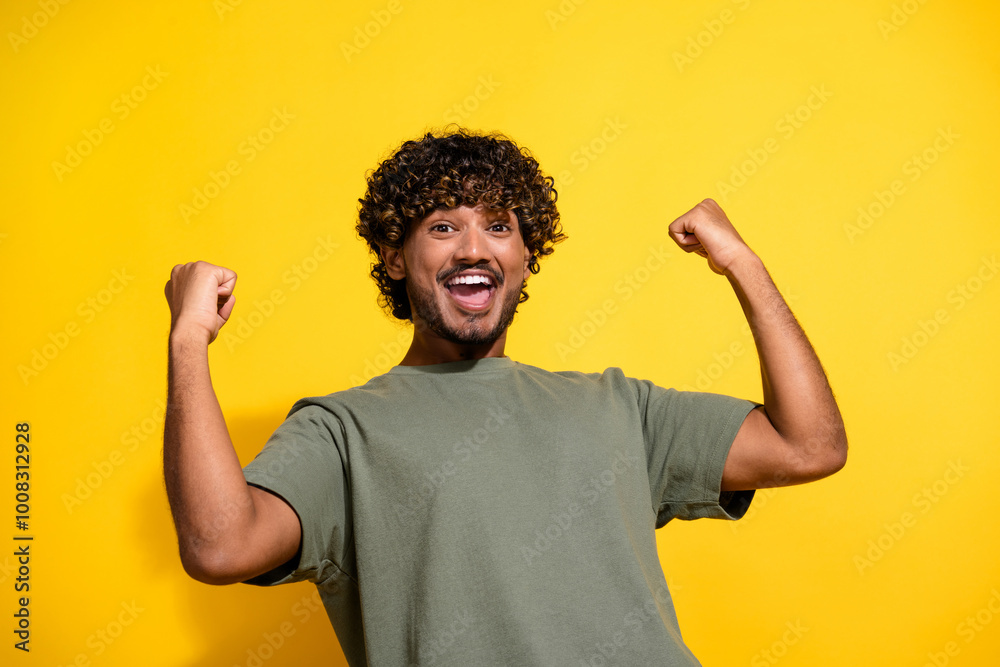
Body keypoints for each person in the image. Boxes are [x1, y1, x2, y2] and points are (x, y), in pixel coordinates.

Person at [162, 128, 847, 666]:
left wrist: (742, 265)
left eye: (498, 225)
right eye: (441, 226)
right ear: (396, 257)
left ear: (526, 255)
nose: (473, 248)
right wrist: (189, 339)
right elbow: (220, 545)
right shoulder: (344, 432)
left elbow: (810, 444)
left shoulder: (620, 407)